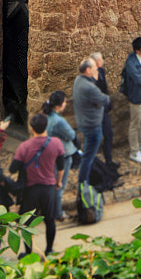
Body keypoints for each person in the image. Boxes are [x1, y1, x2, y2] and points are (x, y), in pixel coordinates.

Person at [9, 111, 64, 257]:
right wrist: (58, 182)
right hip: (48, 188)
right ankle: (49, 250)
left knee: (26, 223)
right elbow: (61, 166)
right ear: (46, 125)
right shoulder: (56, 143)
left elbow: (12, 168)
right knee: (50, 220)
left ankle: (28, 252)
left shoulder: (24, 147)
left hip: (30, 191)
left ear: (32, 128)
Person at [72, 57, 109, 201]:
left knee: (87, 155)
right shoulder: (89, 87)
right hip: (92, 126)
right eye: (94, 67)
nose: (97, 70)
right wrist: (99, 101)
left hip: (84, 122)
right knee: (88, 156)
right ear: (88, 70)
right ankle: (83, 183)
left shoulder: (79, 80)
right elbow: (105, 100)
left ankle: (85, 180)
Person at [41, 92, 77, 221]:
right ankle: (58, 213)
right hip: (63, 154)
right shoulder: (59, 121)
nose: (66, 104)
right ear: (59, 105)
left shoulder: (47, 116)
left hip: (50, 153)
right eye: (65, 102)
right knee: (59, 184)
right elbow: (72, 135)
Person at [91, 51, 115, 164]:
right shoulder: (90, 75)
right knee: (95, 137)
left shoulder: (101, 71)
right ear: (96, 62)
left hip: (103, 109)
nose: (103, 61)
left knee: (108, 133)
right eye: (101, 60)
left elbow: (105, 89)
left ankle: (108, 160)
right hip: (95, 111)